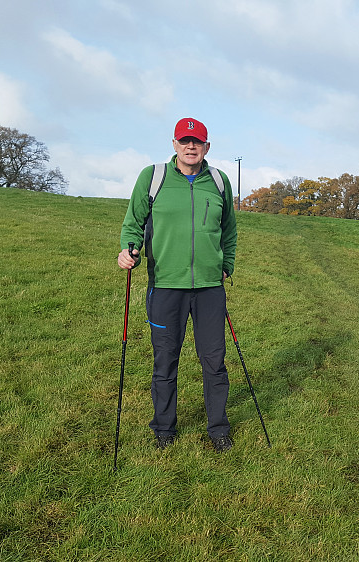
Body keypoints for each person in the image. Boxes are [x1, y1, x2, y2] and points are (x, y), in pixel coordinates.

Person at [117, 117, 237, 452]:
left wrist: (226, 265)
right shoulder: (152, 178)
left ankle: (218, 429)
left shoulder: (218, 181)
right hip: (166, 286)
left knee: (214, 361)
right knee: (166, 359)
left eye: (196, 141)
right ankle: (164, 430)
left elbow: (229, 231)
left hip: (210, 289)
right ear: (174, 144)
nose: (190, 146)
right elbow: (133, 223)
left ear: (206, 147)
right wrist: (130, 252)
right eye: (184, 141)